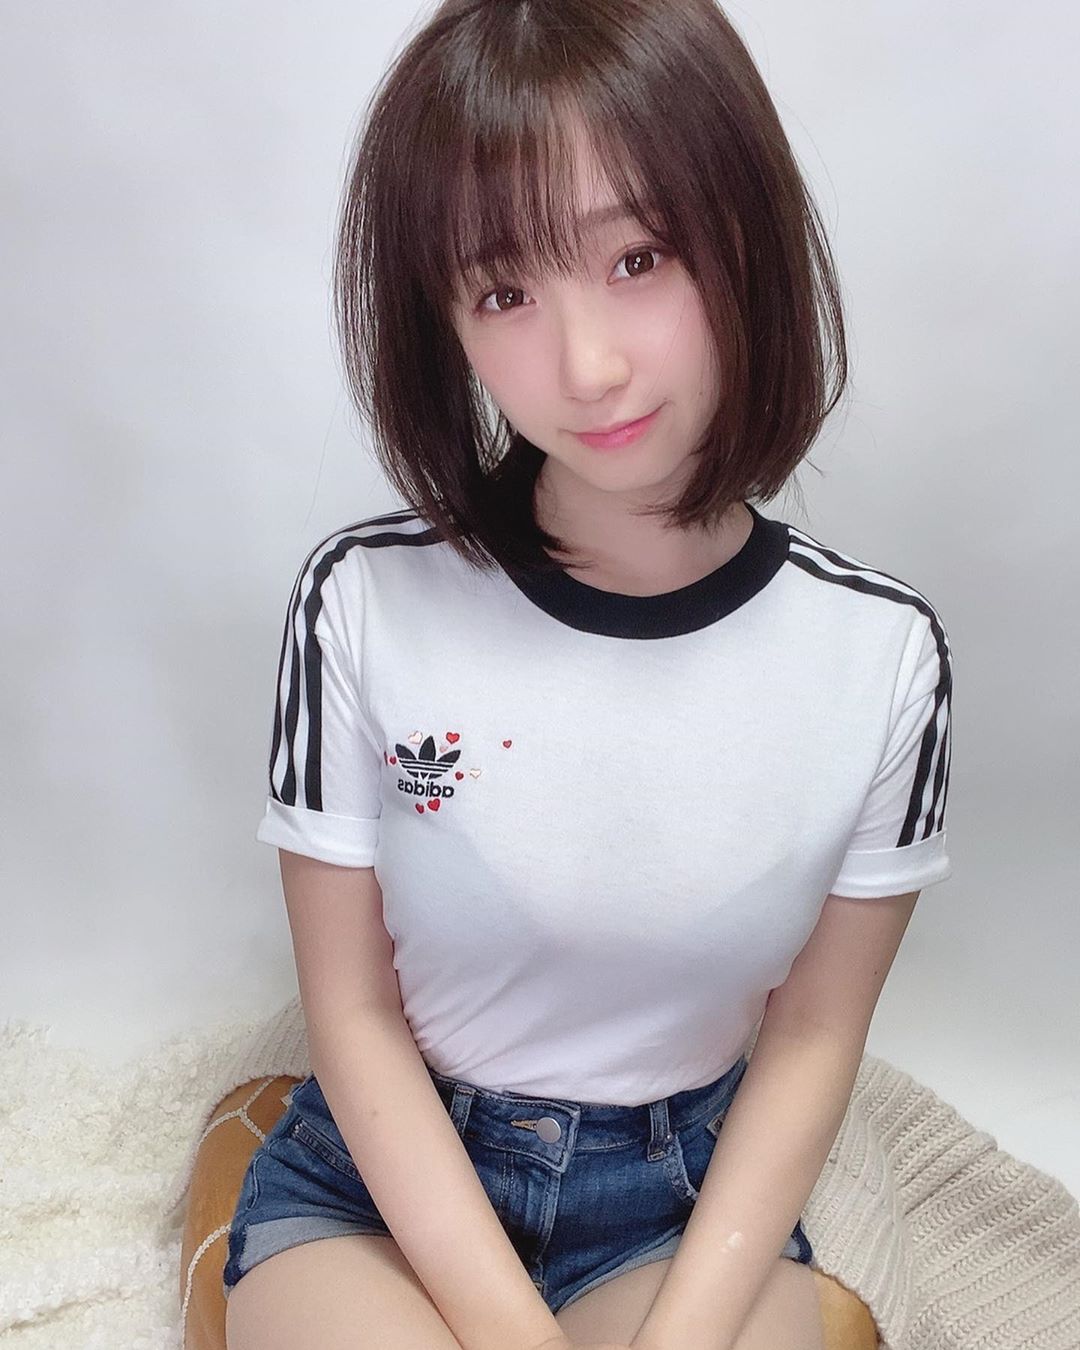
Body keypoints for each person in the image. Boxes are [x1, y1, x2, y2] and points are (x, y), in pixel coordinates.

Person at [223, 1, 953, 1348]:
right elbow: (353, 1009)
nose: (589, 367)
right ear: (444, 322)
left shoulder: (884, 657)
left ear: (744, 237)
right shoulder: (361, 602)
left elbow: (810, 1038)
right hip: (384, 1188)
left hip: (673, 1203)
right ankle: (236, 1195)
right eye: (504, 292)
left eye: (638, 258)